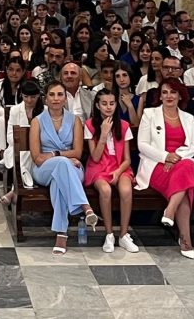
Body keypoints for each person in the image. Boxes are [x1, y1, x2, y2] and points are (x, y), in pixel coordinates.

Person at [30, 80, 99, 255]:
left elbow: (77, 151)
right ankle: (85, 207)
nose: (56, 98)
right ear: (45, 99)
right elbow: (37, 157)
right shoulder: (37, 121)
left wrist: (56, 155)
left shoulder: (74, 120)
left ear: (65, 98)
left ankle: (62, 234)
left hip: (72, 168)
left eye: (60, 94)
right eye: (52, 95)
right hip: (43, 169)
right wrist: (62, 157)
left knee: (58, 182)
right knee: (61, 165)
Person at [136, 80, 194, 259]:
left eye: (173, 92)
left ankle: (170, 211)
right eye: (165, 92)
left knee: (186, 167)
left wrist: (175, 157)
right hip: (156, 165)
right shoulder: (150, 114)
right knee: (184, 189)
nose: (169, 96)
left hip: (181, 163)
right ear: (160, 96)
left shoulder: (188, 118)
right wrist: (165, 157)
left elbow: (193, 146)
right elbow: (142, 144)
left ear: (180, 95)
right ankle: (185, 239)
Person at [85, 90, 138, 253]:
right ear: (97, 105)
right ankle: (109, 234)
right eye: (104, 103)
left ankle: (123, 234)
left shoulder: (124, 126)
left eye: (112, 103)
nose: (108, 107)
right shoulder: (89, 125)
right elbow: (94, 157)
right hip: (99, 167)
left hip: (120, 167)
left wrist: (118, 172)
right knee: (106, 190)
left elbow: (127, 159)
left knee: (126, 190)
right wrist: (103, 134)